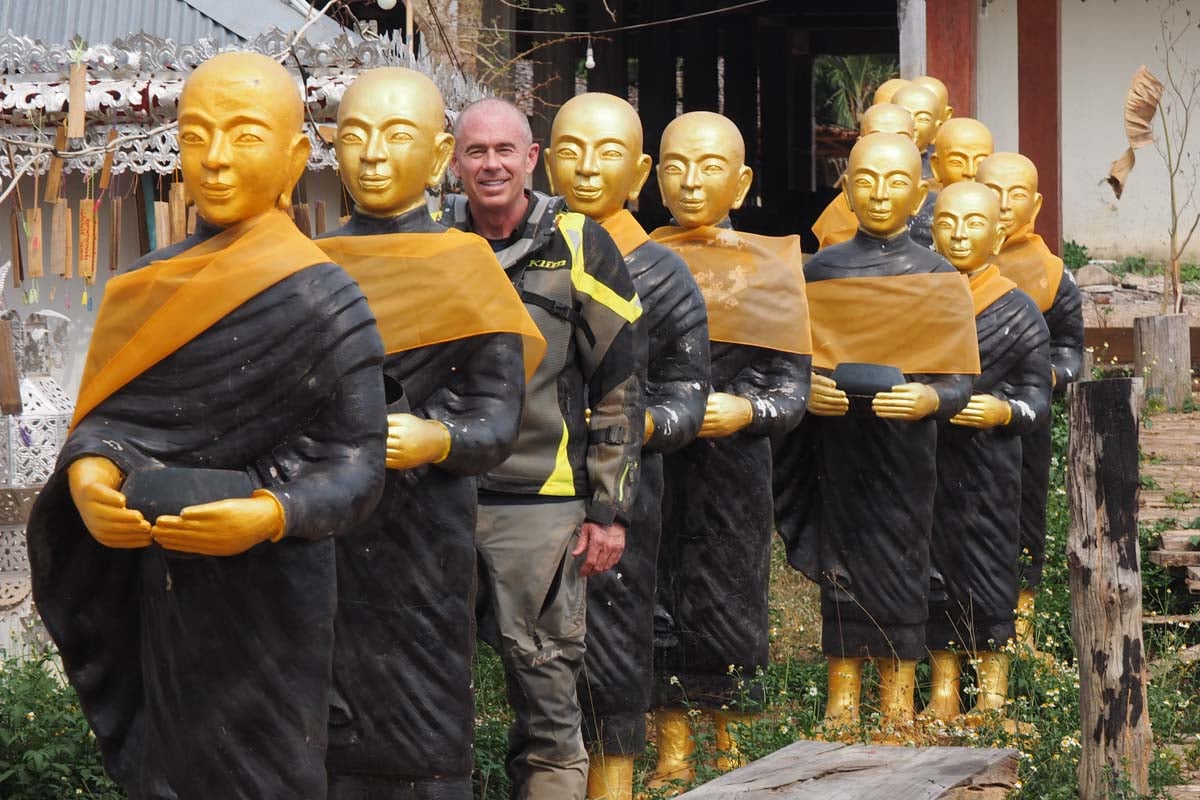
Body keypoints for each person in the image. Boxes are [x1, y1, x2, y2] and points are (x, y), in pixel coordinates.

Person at [27, 52, 387, 798]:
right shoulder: (146, 287)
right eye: (195, 136)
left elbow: (357, 465)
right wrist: (90, 478)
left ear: (294, 159)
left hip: (276, 594)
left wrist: (269, 514)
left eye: (245, 136)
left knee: (273, 776)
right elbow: (109, 428)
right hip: (166, 589)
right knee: (172, 770)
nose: (216, 161)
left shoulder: (326, 300)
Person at [316, 68, 544, 799]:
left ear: (440, 150)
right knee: (326, 725)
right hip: (323, 539)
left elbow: (499, 419)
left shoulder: (463, 264)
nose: (373, 156)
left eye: (395, 137)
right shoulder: (308, 265)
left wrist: (438, 438)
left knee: (422, 729)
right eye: (353, 137)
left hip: (424, 541)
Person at [441, 97, 645, 800]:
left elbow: (620, 383)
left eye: (505, 150)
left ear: (532, 158)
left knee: (546, 687)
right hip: (436, 498)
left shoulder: (580, 242)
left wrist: (609, 509)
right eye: (475, 151)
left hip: (540, 503)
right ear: (454, 160)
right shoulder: (433, 242)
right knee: (430, 687)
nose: (490, 164)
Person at [773, 133, 979, 732]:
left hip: (907, 454)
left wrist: (930, 397)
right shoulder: (821, 271)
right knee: (841, 564)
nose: (880, 194)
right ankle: (841, 700)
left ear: (919, 194)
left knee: (904, 564)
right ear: (847, 190)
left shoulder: (940, 276)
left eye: (894, 182)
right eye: (865, 181)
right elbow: (793, 360)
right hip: (836, 453)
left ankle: (897, 700)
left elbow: (958, 379)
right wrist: (806, 389)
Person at [544, 92, 710, 800]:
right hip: (529, 483)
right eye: (571, 152)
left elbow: (688, 389)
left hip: (619, 488)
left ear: (638, 171)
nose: (587, 169)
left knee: (614, 629)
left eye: (607, 153)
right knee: (534, 641)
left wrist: (641, 426)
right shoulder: (524, 251)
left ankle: (612, 779)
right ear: (546, 163)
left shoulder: (663, 272)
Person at [649, 111, 811, 789]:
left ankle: (735, 752)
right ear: (653, 176)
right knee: (656, 598)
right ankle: (672, 750)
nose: (691, 182)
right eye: (676, 166)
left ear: (741, 184)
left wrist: (748, 408)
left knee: (733, 603)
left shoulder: (769, 269)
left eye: (710, 166)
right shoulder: (636, 262)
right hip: (653, 464)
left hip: (734, 468)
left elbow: (793, 388)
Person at [925, 181, 1052, 723]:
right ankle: (942, 691)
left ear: (999, 233)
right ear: (930, 231)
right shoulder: (918, 300)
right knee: (934, 570)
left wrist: (1005, 412)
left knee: (989, 568)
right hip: (928, 462)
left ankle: (992, 695)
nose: (958, 234)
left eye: (974, 222)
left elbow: (1037, 397)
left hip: (991, 468)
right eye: (947, 222)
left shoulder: (1019, 311)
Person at [977, 152, 1084, 654]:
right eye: (989, 191)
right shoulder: (949, 265)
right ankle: (956, 629)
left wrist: (1052, 374)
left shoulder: (1053, 275)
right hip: (954, 416)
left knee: (1024, 514)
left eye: (1014, 194)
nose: (1000, 205)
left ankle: (1023, 621)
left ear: (1036, 204)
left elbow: (1070, 347)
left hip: (1024, 421)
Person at [812, 102, 917, 250]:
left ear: (914, 142)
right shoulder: (843, 207)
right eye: (876, 137)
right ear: (859, 143)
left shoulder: (937, 203)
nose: (887, 146)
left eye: (900, 137)